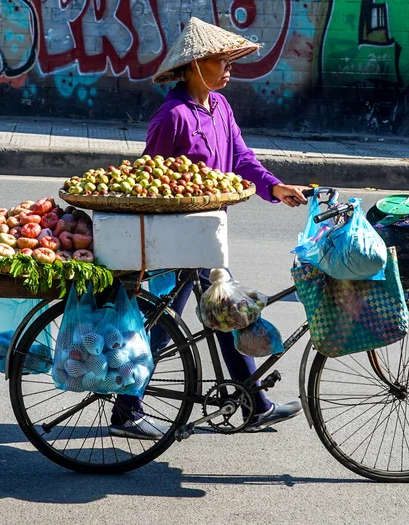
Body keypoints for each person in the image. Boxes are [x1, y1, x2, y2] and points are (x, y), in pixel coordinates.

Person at [110, 17, 312, 439]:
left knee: (226, 312)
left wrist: (276, 187)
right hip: (176, 238)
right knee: (167, 325)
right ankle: (128, 410)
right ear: (196, 65)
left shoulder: (220, 108)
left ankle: (255, 404)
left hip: (208, 235)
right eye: (221, 60)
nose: (229, 67)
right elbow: (151, 182)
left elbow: (241, 159)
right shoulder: (172, 117)